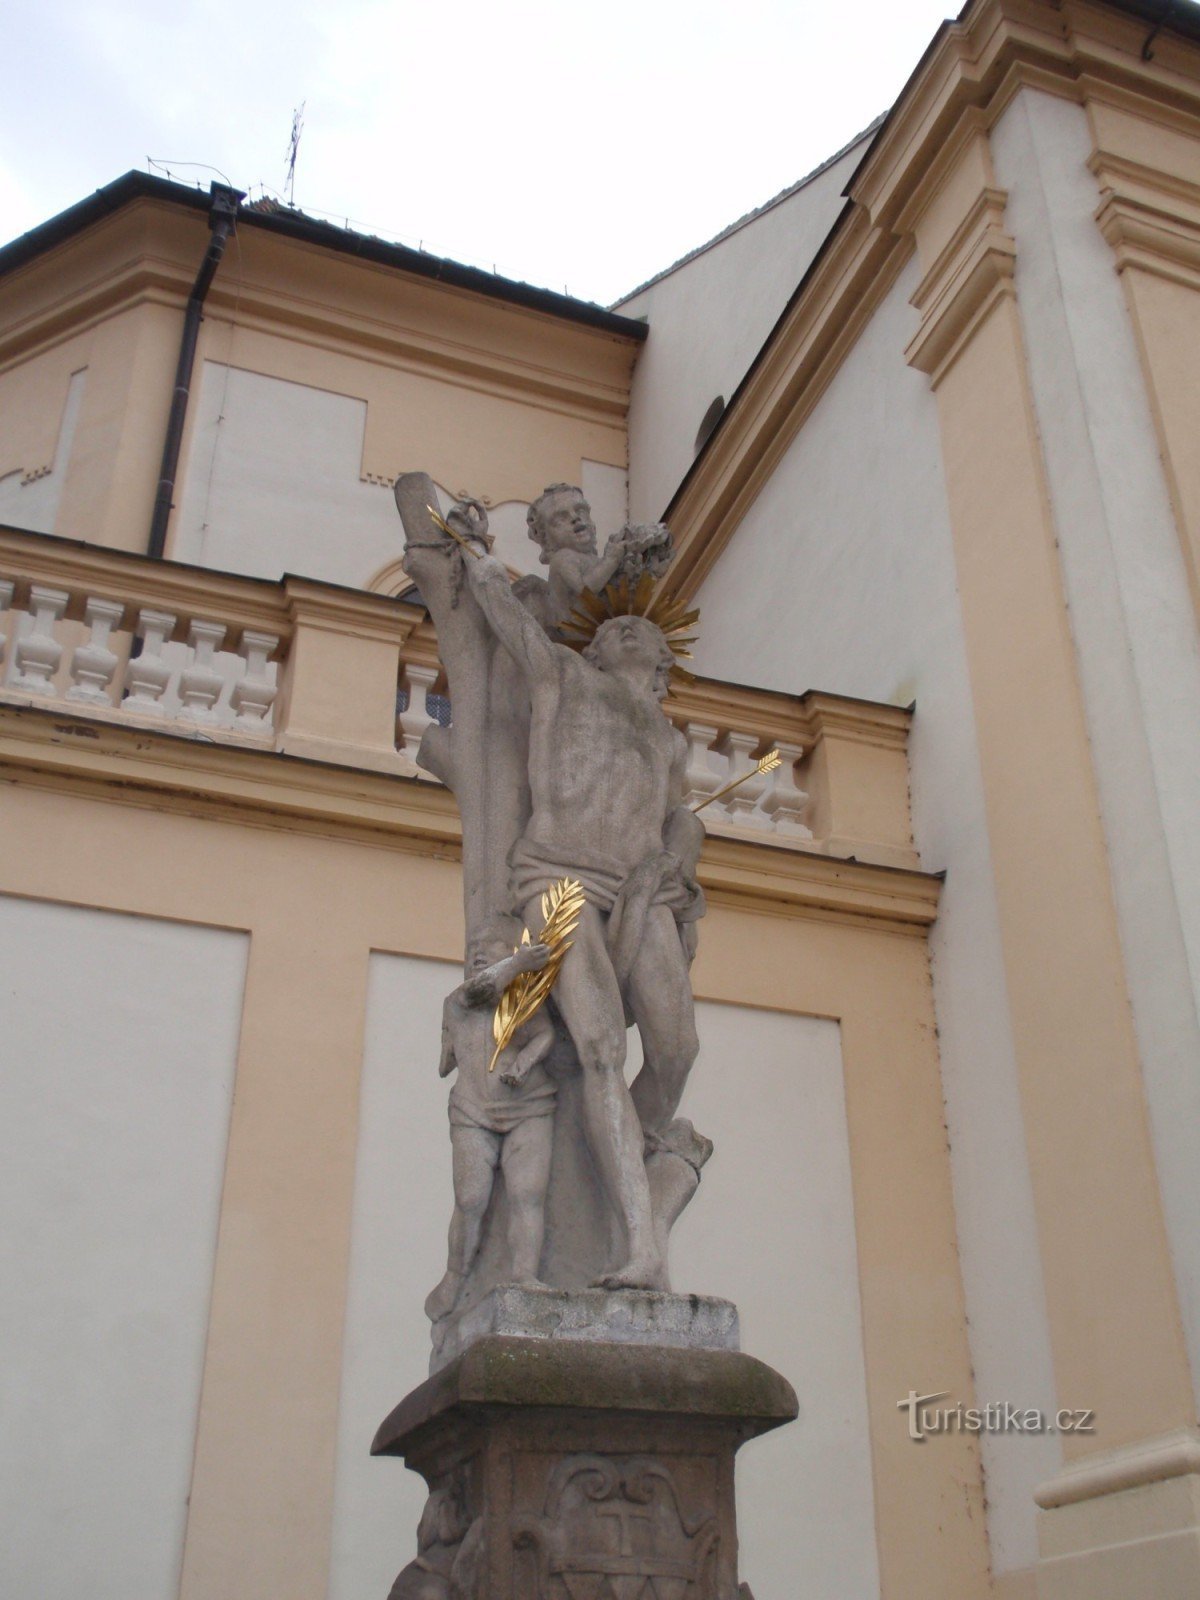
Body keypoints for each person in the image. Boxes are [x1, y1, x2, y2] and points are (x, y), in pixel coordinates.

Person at [456, 528, 703, 1291]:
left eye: (641, 629)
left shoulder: (665, 737)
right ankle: (638, 1244)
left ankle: (640, 1153)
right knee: (600, 1049)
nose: (622, 625)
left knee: (677, 1051)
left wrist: (678, 870)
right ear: (593, 652)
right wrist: (476, 559)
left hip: (634, 887)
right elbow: (510, 620)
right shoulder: (565, 674)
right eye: (610, 627)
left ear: (661, 668)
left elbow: (680, 821)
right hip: (557, 879)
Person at [424, 931, 556, 1323]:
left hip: (530, 1107)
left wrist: (526, 1061)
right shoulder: (460, 1001)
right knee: (471, 1199)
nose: (479, 953)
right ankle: (456, 1275)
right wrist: (517, 962)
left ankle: (524, 1275)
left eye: (491, 947)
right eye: (474, 950)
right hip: (472, 1111)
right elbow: (479, 990)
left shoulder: (523, 1001)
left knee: (527, 1195)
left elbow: (544, 1034)